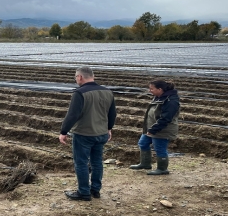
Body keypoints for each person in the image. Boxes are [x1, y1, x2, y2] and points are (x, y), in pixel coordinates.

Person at [59, 66, 116, 201]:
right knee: (97, 162)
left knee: (81, 163)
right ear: (93, 76)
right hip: (101, 133)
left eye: (76, 77)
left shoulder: (80, 93)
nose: (76, 80)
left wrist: (63, 131)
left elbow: (72, 115)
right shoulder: (107, 92)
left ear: (80, 77)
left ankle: (83, 192)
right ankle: (95, 190)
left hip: (84, 134)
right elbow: (112, 113)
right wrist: (109, 128)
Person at [129, 80, 180, 175]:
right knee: (143, 143)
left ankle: (162, 169)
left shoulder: (171, 101)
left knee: (159, 148)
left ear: (160, 89)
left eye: (152, 89)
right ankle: (145, 163)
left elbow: (166, 118)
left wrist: (153, 129)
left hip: (162, 130)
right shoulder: (159, 97)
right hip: (152, 127)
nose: (150, 91)